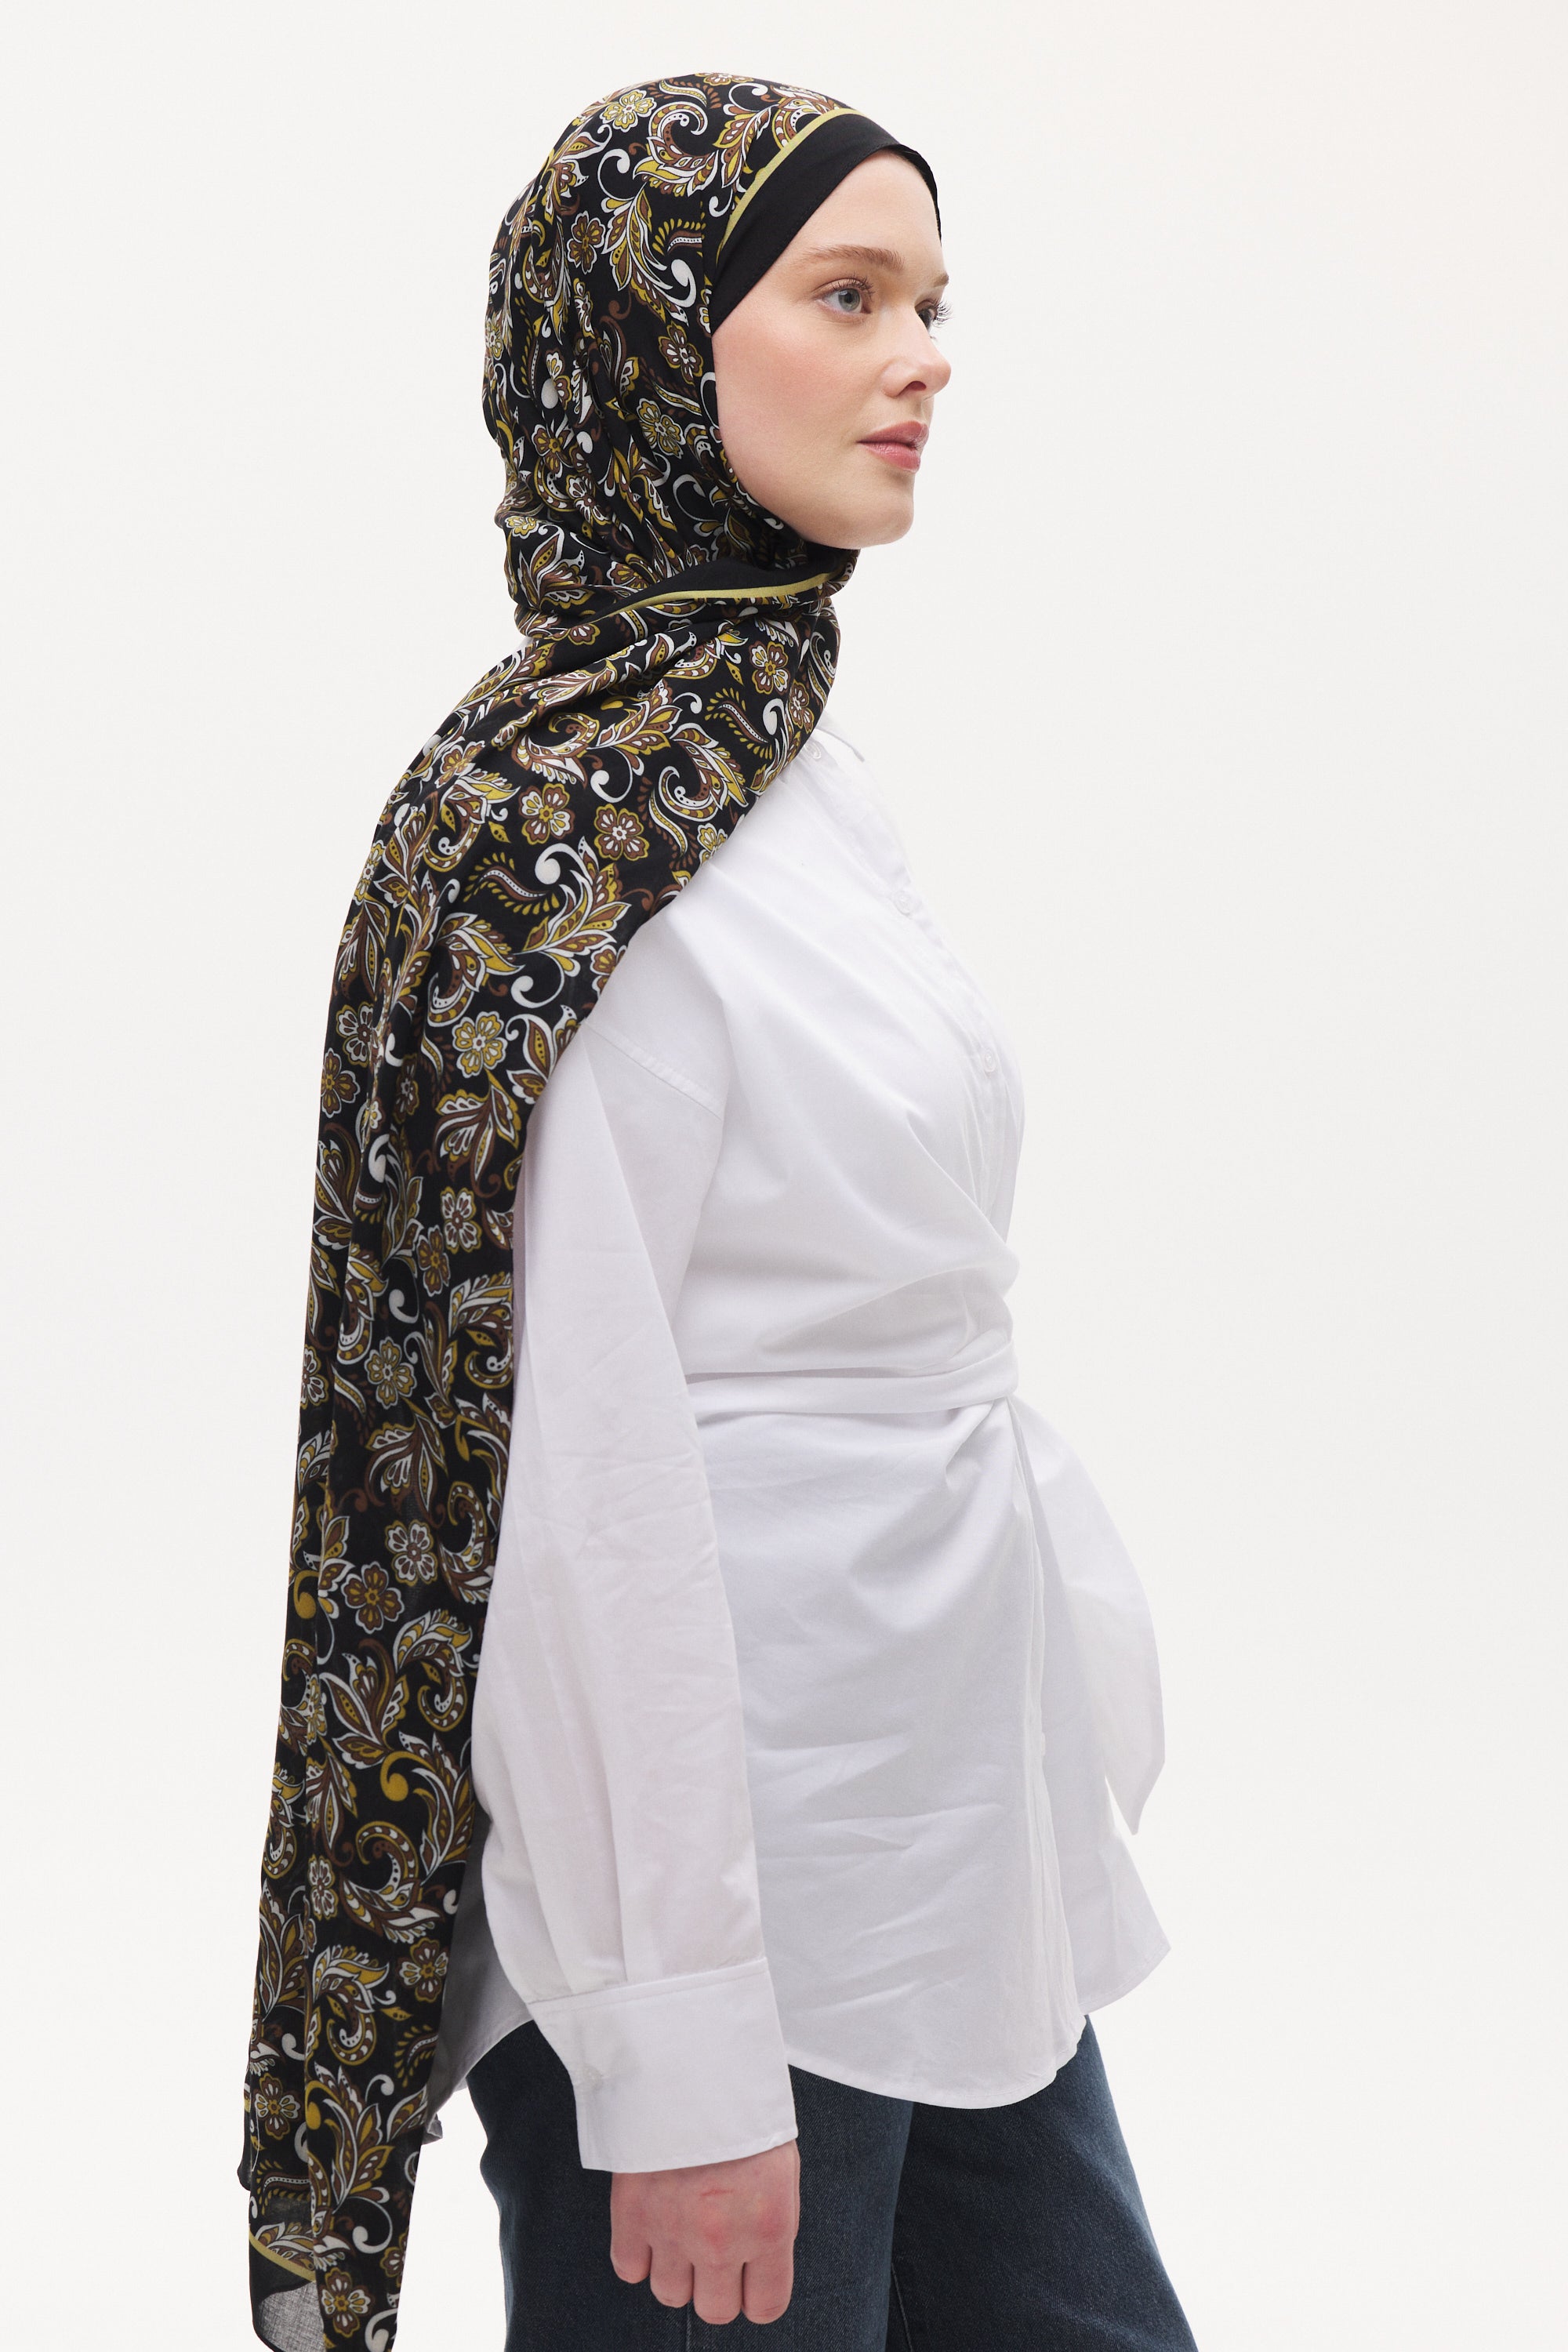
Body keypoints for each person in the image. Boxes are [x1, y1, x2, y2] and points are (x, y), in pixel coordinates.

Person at [243, 73, 1198, 2352]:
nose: (924, 356)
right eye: (847, 296)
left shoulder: (772, 762)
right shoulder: (560, 844)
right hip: (722, 1932)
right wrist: (671, 2049)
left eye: (933, 300)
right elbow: (566, 1492)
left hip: (940, 1863)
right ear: (650, 344)